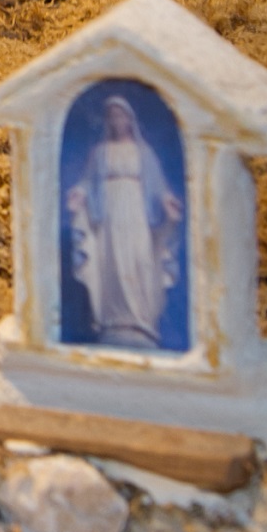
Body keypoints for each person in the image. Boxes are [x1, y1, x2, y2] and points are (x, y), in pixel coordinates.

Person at [65, 93, 183, 350]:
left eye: (120, 116)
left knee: (140, 259)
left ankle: (141, 319)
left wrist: (167, 201)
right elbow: (87, 181)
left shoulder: (143, 152)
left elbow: (158, 185)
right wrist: (79, 194)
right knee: (112, 263)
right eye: (112, 117)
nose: (116, 121)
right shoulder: (99, 152)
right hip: (109, 215)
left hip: (137, 212)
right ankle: (114, 320)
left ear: (130, 120)